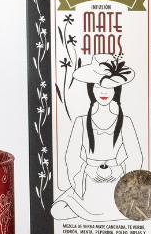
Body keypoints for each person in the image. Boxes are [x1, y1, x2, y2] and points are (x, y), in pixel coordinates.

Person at [51, 55, 143, 220]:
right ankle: (104, 212)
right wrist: (87, 170)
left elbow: (136, 156)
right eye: (98, 86)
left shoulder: (125, 121)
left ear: (116, 90)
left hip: (117, 179)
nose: (103, 92)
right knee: (57, 211)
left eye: (109, 87)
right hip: (88, 179)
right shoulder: (81, 121)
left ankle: (108, 210)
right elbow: (71, 155)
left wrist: (120, 171)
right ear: (91, 89)